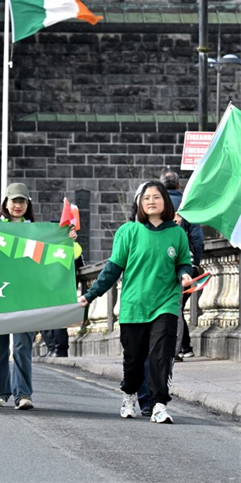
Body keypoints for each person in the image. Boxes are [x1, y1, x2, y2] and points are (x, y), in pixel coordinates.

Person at [79, 180, 192, 424]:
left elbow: (184, 261)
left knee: (161, 356)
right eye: (146, 197)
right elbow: (112, 269)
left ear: (166, 202)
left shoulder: (177, 233)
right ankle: (129, 394)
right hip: (134, 306)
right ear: (140, 203)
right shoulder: (128, 232)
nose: (152, 201)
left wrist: (184, 273)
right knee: (133, 360)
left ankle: (159, 404)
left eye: (157, 197)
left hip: (166, 303)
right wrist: (90, 295)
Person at [0, 182, 77, 410]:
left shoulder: (38, 232)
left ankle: (23, 394)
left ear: (28, 205)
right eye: (13, 200)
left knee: (21, 347)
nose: (17, 205)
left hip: (24, 296)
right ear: (5, 203)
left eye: (22, 201)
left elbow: (61, 255)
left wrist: (69, 238)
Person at [160, 170, 203, 361]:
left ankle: (178, 347)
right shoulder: (187, 206)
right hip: (186, 264)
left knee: (171, 307)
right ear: (178, 185)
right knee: (176, 307)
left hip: (161, 264)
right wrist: (196, 263)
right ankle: (179, 347)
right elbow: (197, 239)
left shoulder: (156, 204)